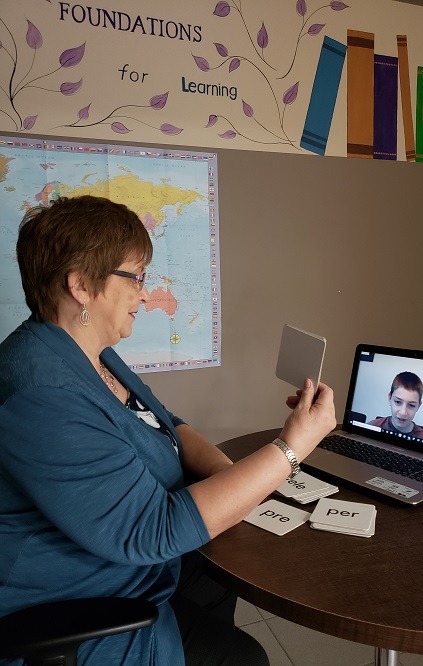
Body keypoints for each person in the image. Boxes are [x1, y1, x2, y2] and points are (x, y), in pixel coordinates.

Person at [0, 195, 337, 666]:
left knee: (225, 570)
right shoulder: (41, 393)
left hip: (133, 567)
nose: (144, 294)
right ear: (80, 285)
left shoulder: (93, 354)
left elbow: (168, 426)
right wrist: (292, 447)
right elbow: (152, 530)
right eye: (135, 277)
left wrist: (228, 475)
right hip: (79, 601)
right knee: (244, 658)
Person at [368, 371, 423, 441]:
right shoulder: (372, 427)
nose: (403, 412)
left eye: (411, 405)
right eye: (398, 402)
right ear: (390, 398)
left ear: (418, 406)